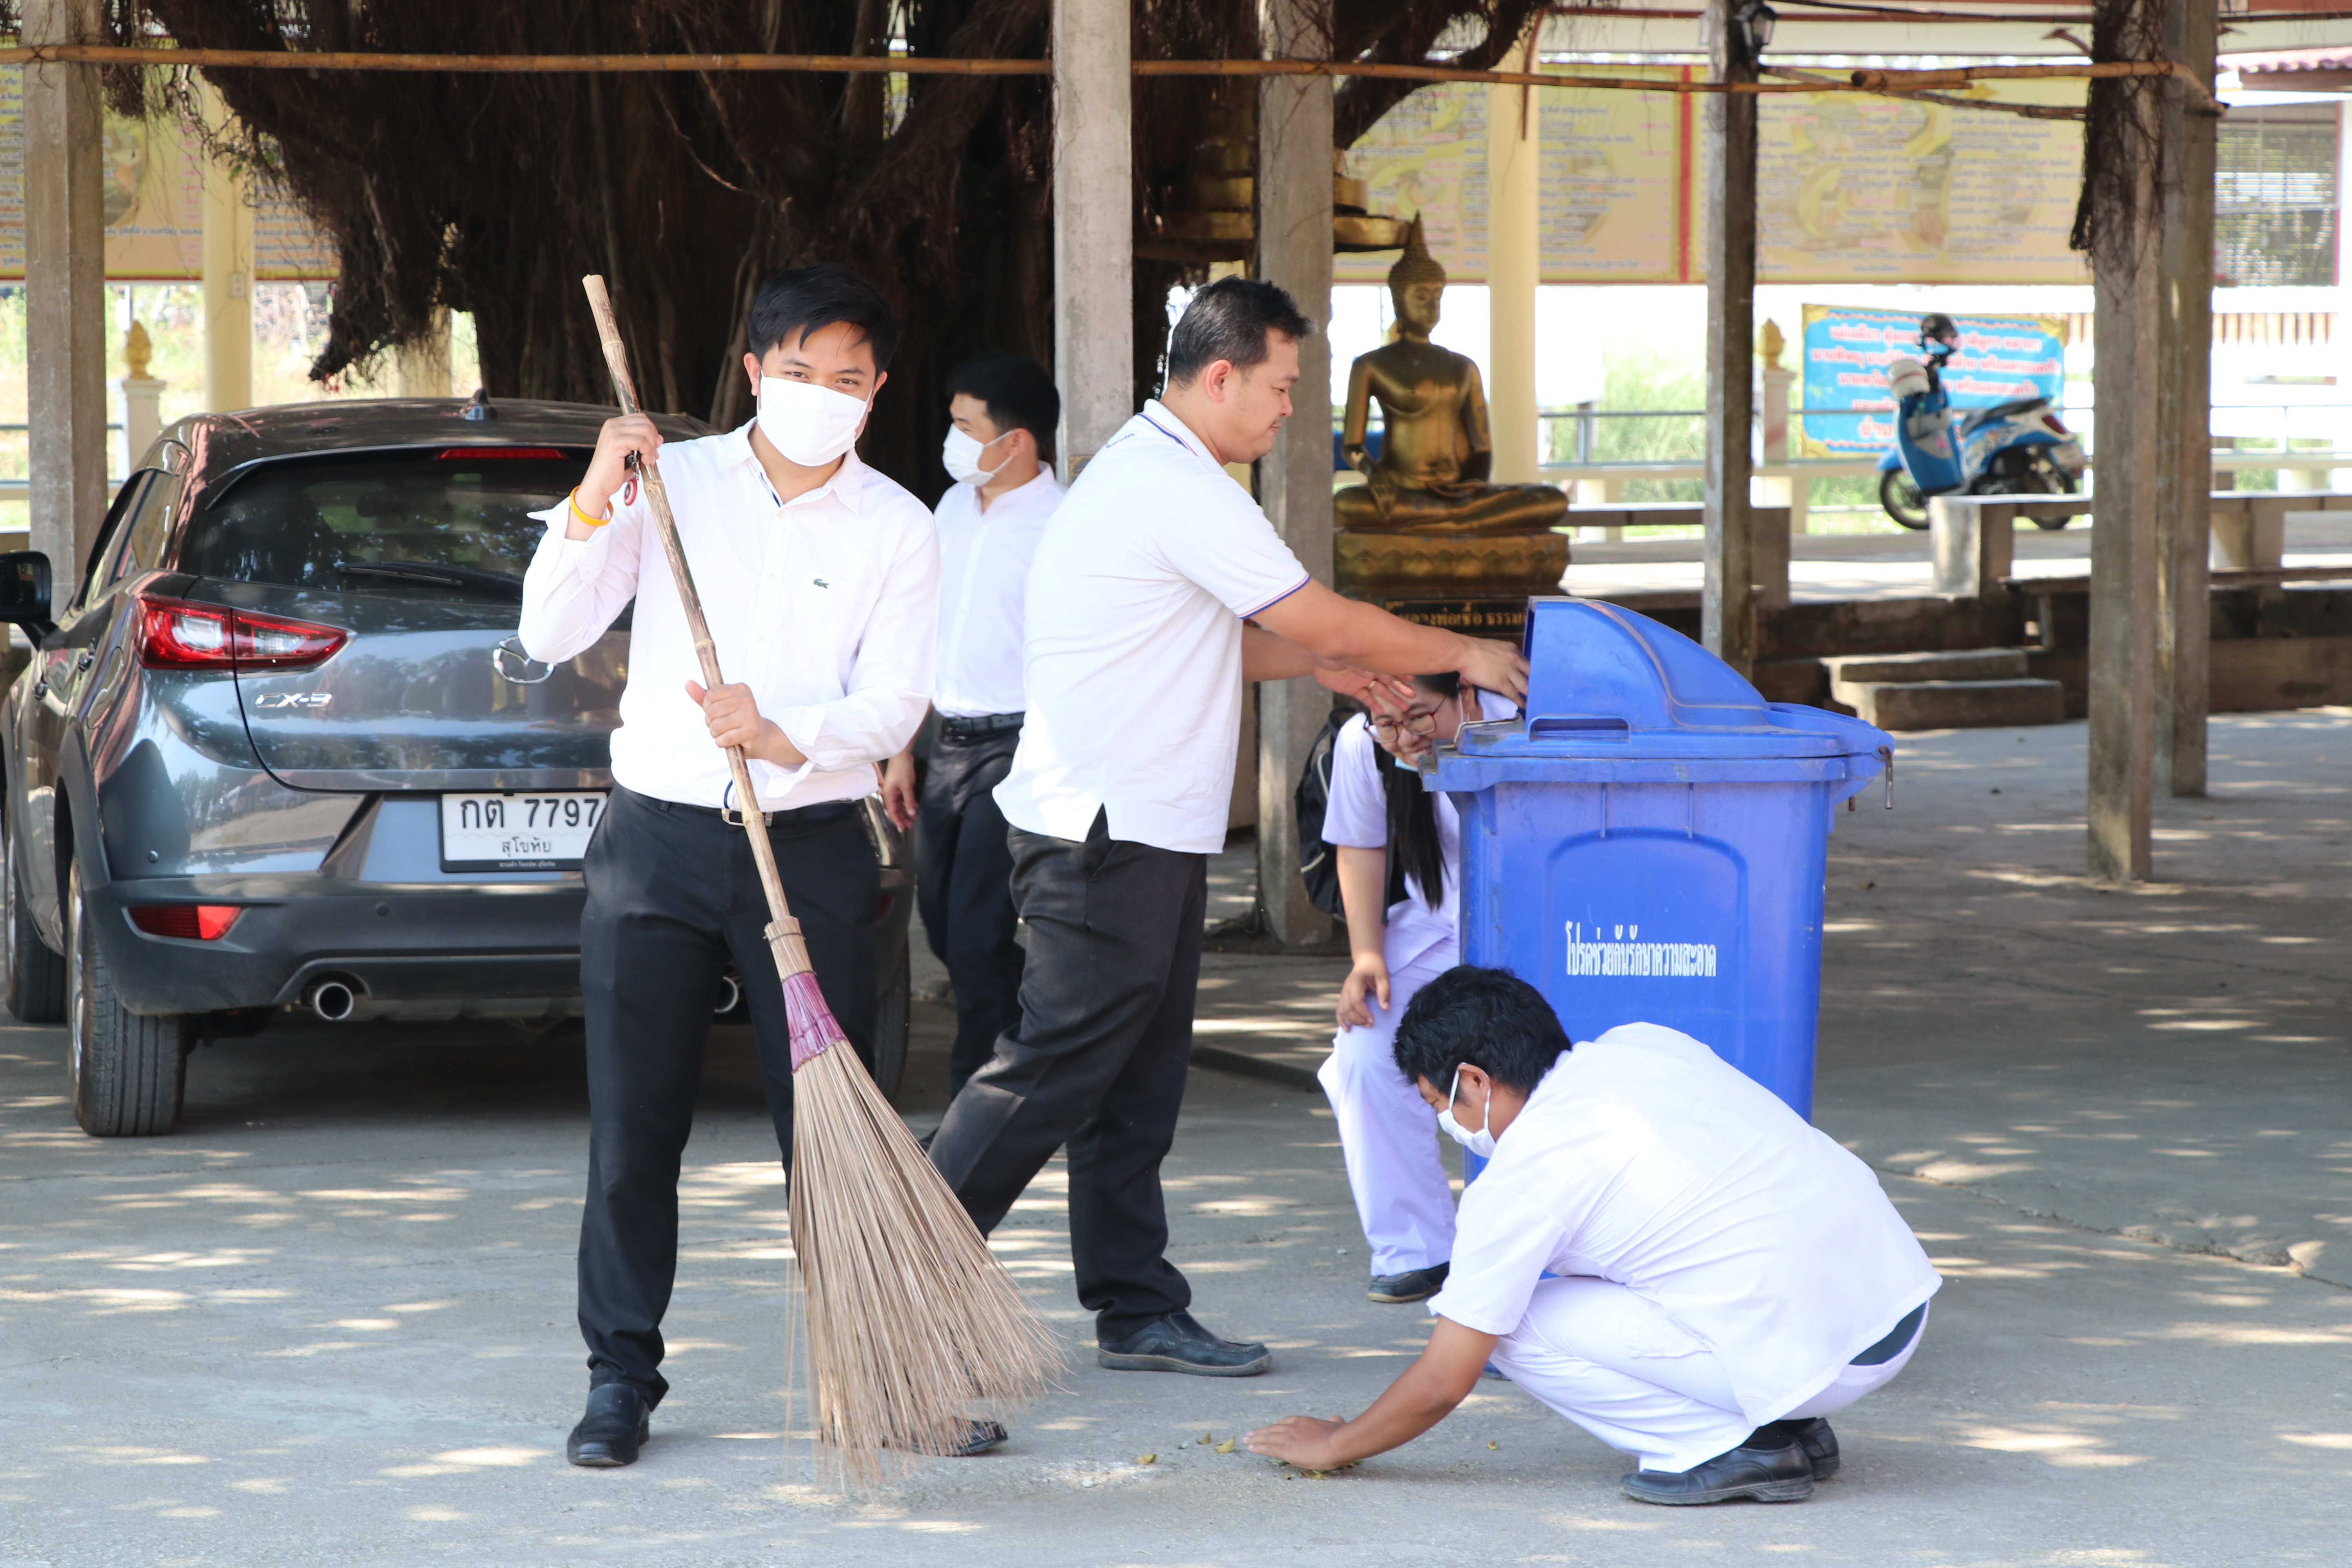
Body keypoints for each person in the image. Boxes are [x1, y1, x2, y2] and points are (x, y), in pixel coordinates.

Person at [924, 276, 1529, 1383]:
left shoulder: (1152, 473)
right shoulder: (1177, 485)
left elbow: (1234, 642)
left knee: (1134, 1082)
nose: (1291, 408)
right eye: (1282, 386)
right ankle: (897, 1270)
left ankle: (1134, 1301)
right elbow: (1309, 607)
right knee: (1052, 1070)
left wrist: (1331, 666)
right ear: (1219, 377)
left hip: (1145, 828)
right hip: (1104, 831)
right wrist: (1458, 651)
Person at [518, 264, 941, 1470]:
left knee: (834, 1130)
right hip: (654, 845)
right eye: (798, 372)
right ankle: (620, 1379)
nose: (821, 394)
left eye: (848, 379)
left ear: (878, 391)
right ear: (754, 372)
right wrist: (597, 495)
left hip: (804, 853)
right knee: (635, 1136)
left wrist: (785, 726)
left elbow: (898, 700)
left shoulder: (901, 528)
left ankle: (886, 1376)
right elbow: (546, 631)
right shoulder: (670, 483)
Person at [1249, 967, 1941, 1505]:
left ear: (1474, 1081)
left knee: (1508, 1324)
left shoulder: (1523, 1178)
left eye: (1438, 1104)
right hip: (1894, 1306)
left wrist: (1334, 1445)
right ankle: (1788, 1422)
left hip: (1823, 1357)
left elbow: (1446, 1377)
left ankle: (1731, 1444)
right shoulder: (1644, 1044)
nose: (1446, 1123)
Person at [880, 353, 1063, 1098]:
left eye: (964, 426)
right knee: (944, 927)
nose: (950, 440)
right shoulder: (952, 508)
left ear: (1016, 441)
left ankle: (979, 1099)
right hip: (943, 747)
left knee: (979, 931)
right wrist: (900, 750)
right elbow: (918, 634)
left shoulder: (1064, 527)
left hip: (1016, 748)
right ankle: (1049, 1042)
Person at [1317, 671, 1512, 1307]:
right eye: (1388, 724)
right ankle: (1417, 1250)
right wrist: (1366, 954)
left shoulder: (1522, 722)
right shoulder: (1363, 742)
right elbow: (1360, 845)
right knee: (1365, 1054)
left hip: (1537, 925)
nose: (1403, 739)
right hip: (1435, 928)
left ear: (1469, 697)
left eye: (1420, 718)